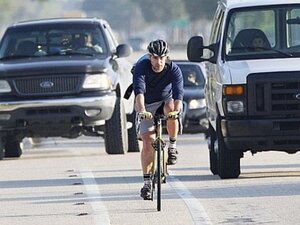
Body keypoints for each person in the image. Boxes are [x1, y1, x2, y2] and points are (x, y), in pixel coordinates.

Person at [133, 39, 184, 200]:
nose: (159, 62)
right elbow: (139, 94)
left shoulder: (174, 69)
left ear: (167, 57)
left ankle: (172, 146)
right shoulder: (142, 67)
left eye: (162, 58)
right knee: (148, 143)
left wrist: (176, 112)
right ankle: (147, 183)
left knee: (171, 109)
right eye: (155, 58)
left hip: (165, 101)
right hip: (146, 104)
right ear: (150, 57)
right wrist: (142, 111)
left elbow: (178, 97)